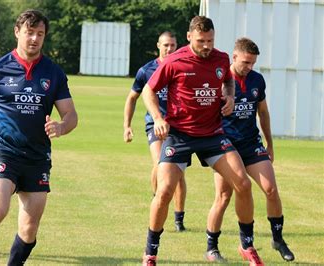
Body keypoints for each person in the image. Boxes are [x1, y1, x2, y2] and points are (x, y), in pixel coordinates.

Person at [140, 16, 263, 266]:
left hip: (212, 135)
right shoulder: (174, 61)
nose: (206, 46)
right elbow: (148, 90)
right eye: (201, 41)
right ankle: (150, 253)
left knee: (243, 183)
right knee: (164, 192)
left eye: (210, 40)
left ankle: (247, 246)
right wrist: (158, 117)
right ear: (189, 38)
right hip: (179, 135)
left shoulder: (220, 58)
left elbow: (227, 79)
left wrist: (228, 96)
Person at [0, 9, 78, 265]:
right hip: (4, 151)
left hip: (37, 157)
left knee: (29, 228)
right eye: (29, 32)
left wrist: (61, 126)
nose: (34, 38)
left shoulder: (53, 73)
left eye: (40, 34)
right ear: (17, 32)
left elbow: (71, 115)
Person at [204, 37, 295, 262]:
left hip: (251, 144)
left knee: (271, 189)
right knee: (224, 196)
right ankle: (212, 247)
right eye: (245, 62)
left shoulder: (257, 80)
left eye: (253, 63)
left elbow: (263, 113)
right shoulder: (219, 80)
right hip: (225, 146)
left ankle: (277, 239)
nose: (249, 67)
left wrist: (270, 144)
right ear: (234, 57)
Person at [123, 32, 187, 232]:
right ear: (158, 45)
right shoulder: (146, 70)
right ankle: (158, 200)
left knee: (179, 174)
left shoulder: (183, 66)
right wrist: (127, 126)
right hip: (155, 124)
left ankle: (179, 218)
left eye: (173, 45)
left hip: (178, 127)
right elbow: (132, 98)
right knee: (160, 164)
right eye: (166, 45)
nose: (169, 49)